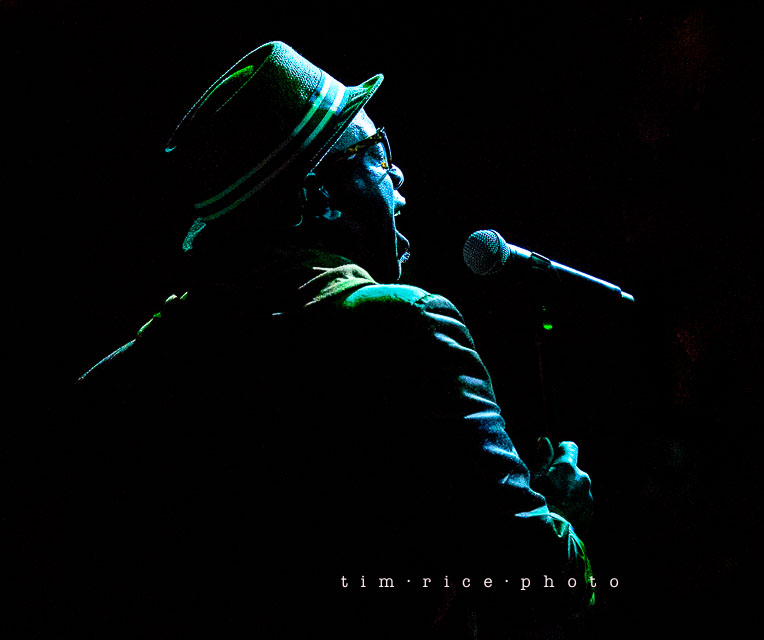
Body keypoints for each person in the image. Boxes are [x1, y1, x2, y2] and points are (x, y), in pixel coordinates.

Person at [72, 41, 594, 638]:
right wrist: (562, 516)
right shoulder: (406, 327)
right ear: (315, 196)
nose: (399, 178)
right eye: (377, 155)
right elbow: (537, 578)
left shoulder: (126, 376)